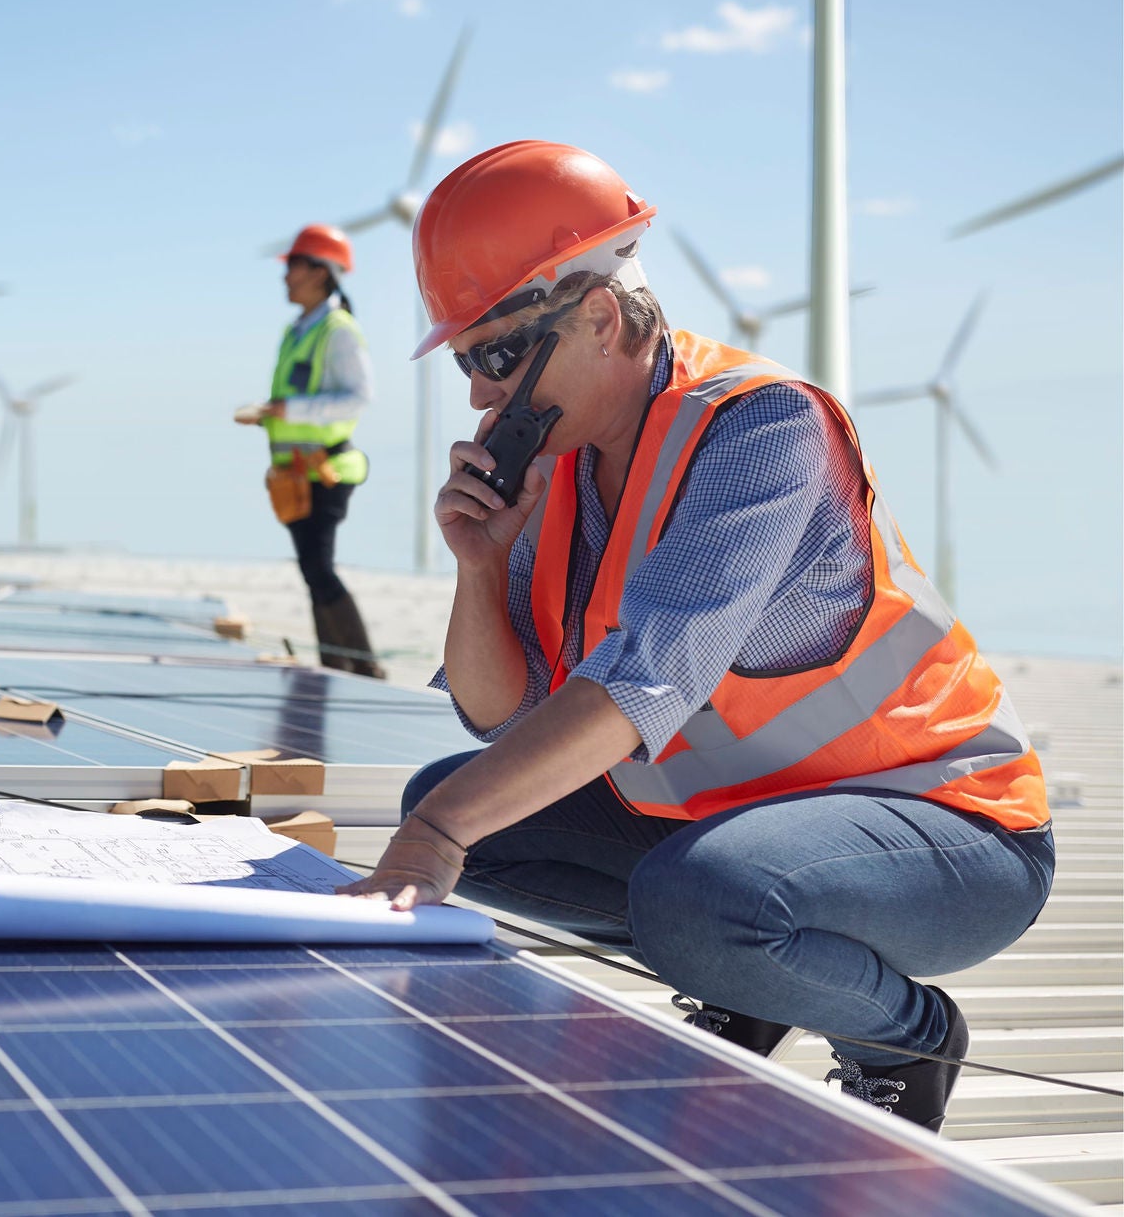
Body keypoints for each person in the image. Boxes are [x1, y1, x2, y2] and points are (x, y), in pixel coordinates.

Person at [339, 141, 1052, 1133]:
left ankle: (901, 1033)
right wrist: (474, 567)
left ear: (595, 315)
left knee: (674, 893)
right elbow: (494, 713)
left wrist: (434, 837)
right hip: (746, 821)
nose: (476, 395)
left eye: (496, 355)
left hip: (950, 831)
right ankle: (754, 975)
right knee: (465, 808)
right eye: (465, 360)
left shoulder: (758, 433)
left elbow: (641, 683)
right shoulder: (556, 467)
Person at [236, 225, 385, 677]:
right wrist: (272, 413)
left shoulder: (337, 329)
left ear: (320, 272)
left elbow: (358, 397)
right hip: (294, 474)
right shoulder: (297, 331)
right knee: (312, 571)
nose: (285, 277)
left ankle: (362, 670)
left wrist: (288, 408)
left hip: (326, 470)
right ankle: (336, 667)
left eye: (293, 267)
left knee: (319, 568)